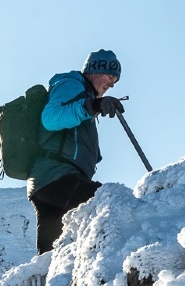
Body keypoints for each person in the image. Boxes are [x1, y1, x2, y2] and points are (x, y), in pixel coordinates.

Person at [27, 50, 125, 253]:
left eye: (115, 79)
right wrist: (92, 105)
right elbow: (51, 118)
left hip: (48, 182)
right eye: (110, 76)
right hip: (58, 177)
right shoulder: (71, 83)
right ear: (95, 70)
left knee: (52, 254)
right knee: (111, 199)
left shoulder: (84, 98)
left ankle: (51, 283)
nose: (112, 84)